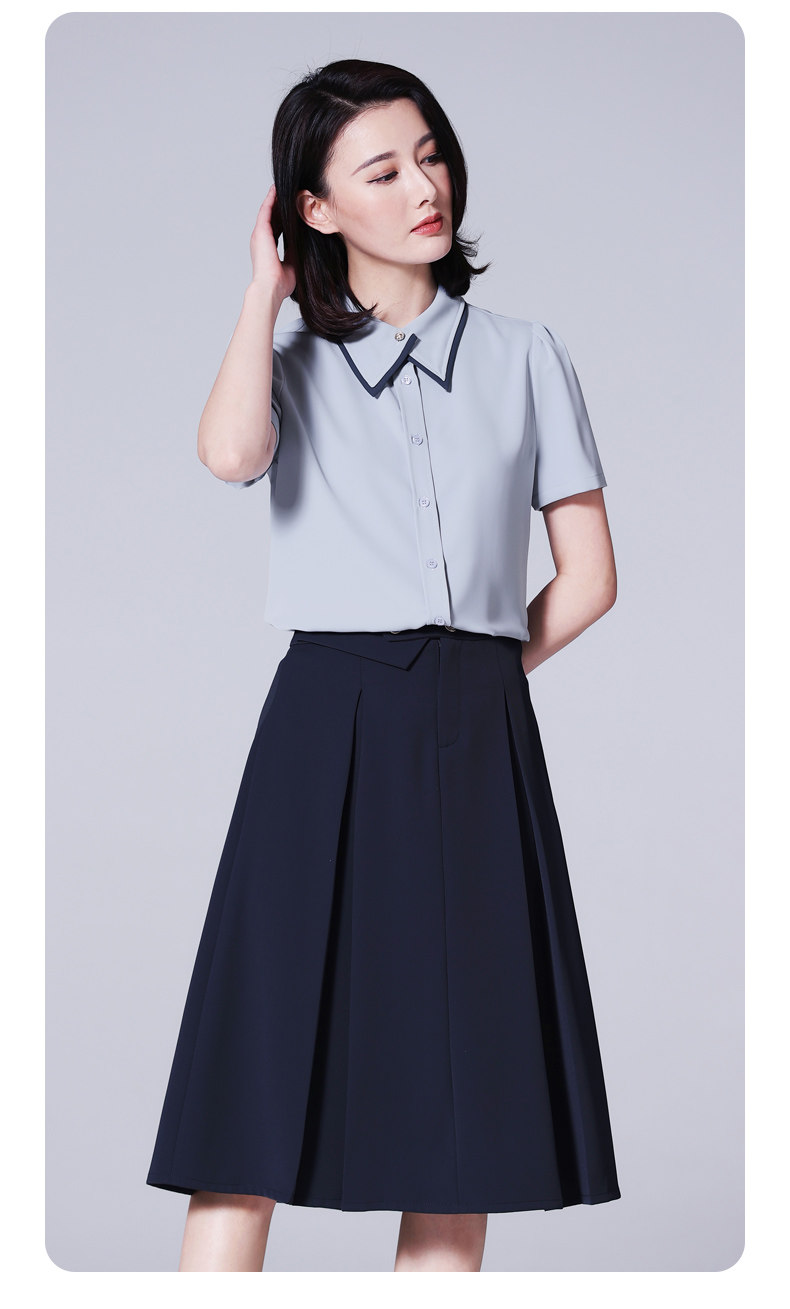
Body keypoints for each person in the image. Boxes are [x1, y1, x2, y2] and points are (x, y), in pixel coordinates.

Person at [145, 58, 621, 1273]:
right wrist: (262, 293)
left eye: (430, 155)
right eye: (382, 170)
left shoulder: (525, 353)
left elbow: (588, 576)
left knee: (461, 1119)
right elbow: (228, 455)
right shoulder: (288, 362)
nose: (424, 186)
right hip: (325, 716)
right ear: (313, 208)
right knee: (250, 1102)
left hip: (475, 726)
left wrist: (477, 677)